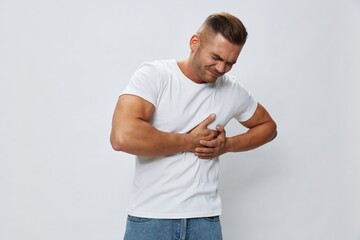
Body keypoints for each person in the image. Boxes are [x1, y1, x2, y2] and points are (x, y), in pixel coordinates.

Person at [110, 12, 277, 240]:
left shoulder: (232, 90)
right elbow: (122, 137)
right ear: (194, 43)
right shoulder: (155, 76)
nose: (221, 68)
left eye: (230, 63)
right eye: (216, 57)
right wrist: (189, 142)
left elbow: (268, 127)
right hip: (151, 219)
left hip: (205, 221)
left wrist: (227, 145)